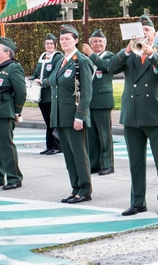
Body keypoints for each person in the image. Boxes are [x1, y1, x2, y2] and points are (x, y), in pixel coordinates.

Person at [108, 15, 158, 216]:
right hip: (132, 114)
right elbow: (111, 68)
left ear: (153, 34)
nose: (143, 34)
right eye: (140, 31)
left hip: (154, 112)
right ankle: (137, 201)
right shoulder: (129, 53)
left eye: (147, 31)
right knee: (135, 162)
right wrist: (126, 50)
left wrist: (152, 53)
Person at [47, 25, 94, 203]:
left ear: (76, 40)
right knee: (69, 156)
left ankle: (85, 190)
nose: (64, 41)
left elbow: (87, 93)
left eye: (67, 38)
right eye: (62, 39)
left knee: (79, 155)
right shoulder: (61, 61)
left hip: (74, 116)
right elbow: (54, 84)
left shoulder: (81, 61)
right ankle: (75, 188)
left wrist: (80, 116)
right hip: (61, 116)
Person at [0, 37, 26, 190]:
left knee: (6, 146)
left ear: (7, 53)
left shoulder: (13, 68)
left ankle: (14, 178)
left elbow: (20, 91)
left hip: (3, 112)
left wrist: (17, 111)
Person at [82, 29, 115, 176]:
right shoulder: (85, 58)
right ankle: (94, 163)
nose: (98, 44)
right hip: (88, 101)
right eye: (95, 41)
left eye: (100, 41)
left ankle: (107, 164)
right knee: (91, 136)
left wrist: (91, 54)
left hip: (103, 101)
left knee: (104, 135)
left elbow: (105, 66)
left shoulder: (110, 56)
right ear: (90, 43)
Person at [30, 34, 63, 155]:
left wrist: (43, 82)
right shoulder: (43, 57)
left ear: (55, 45)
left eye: (51, 43)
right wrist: (31, 79)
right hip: (41, 95)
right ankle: (49, 145)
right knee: (47, 122)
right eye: (47, 43)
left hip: (51, 94)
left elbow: (56, 74)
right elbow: (36, 73)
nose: (48, 46)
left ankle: (57, 145)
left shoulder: (58, 57)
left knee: (53, 121)